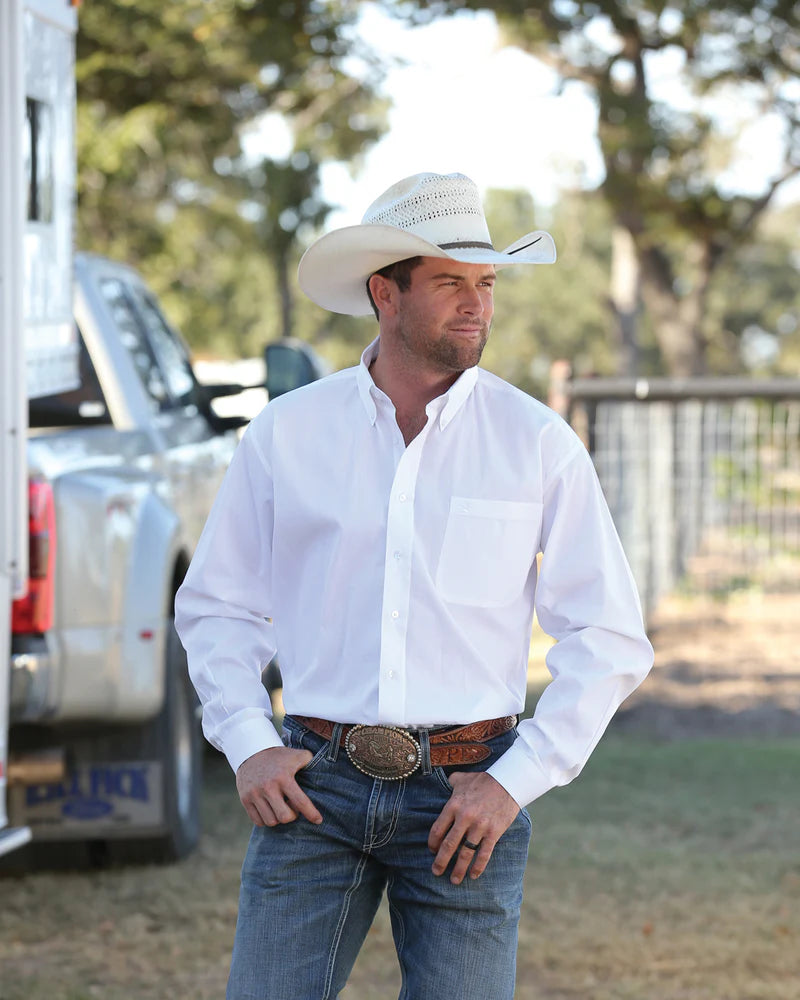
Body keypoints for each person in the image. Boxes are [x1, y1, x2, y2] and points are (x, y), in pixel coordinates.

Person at [175, 171, 653, 1000]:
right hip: (311, 786)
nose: (476, 305)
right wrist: (249, 742)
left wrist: (515, 779)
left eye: (485, 283)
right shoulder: (288, 433)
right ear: (383, 294)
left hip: (467, 796)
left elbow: (608, 637)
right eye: (449, 283)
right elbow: (219, 606)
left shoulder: (536, 443)